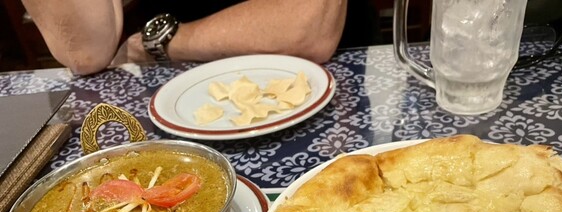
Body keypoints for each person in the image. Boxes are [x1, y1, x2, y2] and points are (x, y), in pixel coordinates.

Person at [21, 0, 381, 75]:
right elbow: (86, 50)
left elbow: (306, 27)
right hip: (173, 91)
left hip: (328, 79)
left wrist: (160, 43)